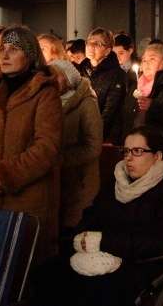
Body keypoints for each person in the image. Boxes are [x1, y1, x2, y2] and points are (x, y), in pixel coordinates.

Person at [30, 125, 163, 306]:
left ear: (157, 156)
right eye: (125, 151)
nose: (129, 158)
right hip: (108, 252)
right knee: (47, 274)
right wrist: (80, 236)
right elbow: (95, 213)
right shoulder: (119, 181)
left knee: (89, 290)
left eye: (138, 151)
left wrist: (105, 241)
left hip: (148, 263)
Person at [0, 25, 63, 263]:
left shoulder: (45, 94)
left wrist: (6, 176)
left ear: (30, 55)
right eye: (2, 49)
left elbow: (47, 147)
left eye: (14, 49)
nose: (5, 55)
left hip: (28, 197)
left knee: (23, 270)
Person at [49, 59, 103, 234]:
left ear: (68, 79)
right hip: (55, 179)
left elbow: (94, 146)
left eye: (56, 77)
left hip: (79, 180)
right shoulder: (48, 101)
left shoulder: (86, 102)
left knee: (72, 231)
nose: (51, 81)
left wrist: (60, 159)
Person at [78, 28, 127, 143]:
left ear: (107, 51)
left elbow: (110, 111)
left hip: (102, 135)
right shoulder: (79, 71)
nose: (91, 46)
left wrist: (93, 134)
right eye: (89, 42)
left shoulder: (117, 74)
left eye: (97, 44)